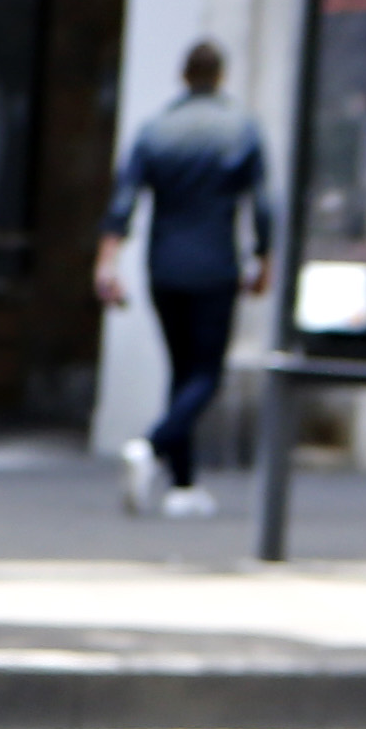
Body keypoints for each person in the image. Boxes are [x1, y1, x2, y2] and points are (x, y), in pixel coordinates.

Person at [99, 38, 273, 521]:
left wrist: (107, 262)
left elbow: (123, 202)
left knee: (180, 370)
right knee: (206, 374)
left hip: (165, 265)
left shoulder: (157, 130)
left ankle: (183, 484)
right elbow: (263, 203)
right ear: (221, 76)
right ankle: (152, 447)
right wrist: (263, 257)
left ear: (183, 75)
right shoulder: (239, 129)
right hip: (215, 265)